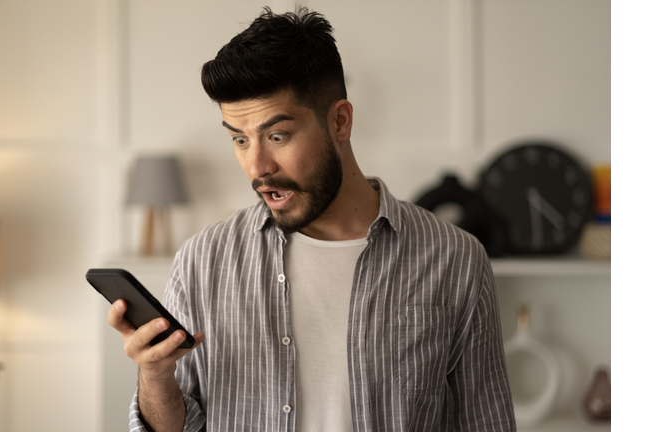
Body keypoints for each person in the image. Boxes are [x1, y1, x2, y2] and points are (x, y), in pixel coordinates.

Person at [108, 7, 516, 432]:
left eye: (277, 136)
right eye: (239, 139)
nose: (256, 166)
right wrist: (154, 378)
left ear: (340, 121)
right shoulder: (201, 260)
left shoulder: (455, 260)